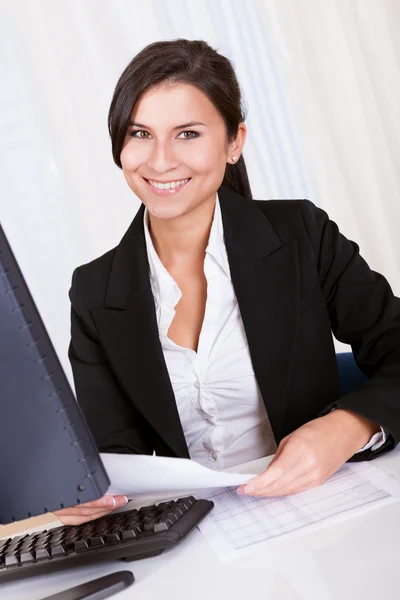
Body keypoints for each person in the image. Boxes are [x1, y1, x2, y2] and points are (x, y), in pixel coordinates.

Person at [55, 39, 400, 525]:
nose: (160, 161)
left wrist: (349, 427)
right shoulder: (94, 291)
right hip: (198, 532)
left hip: (324, 504)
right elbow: (114, 453)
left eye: (188, 134)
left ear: (234, 141)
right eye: (140, 133)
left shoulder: (301, 233)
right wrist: (90, 491)